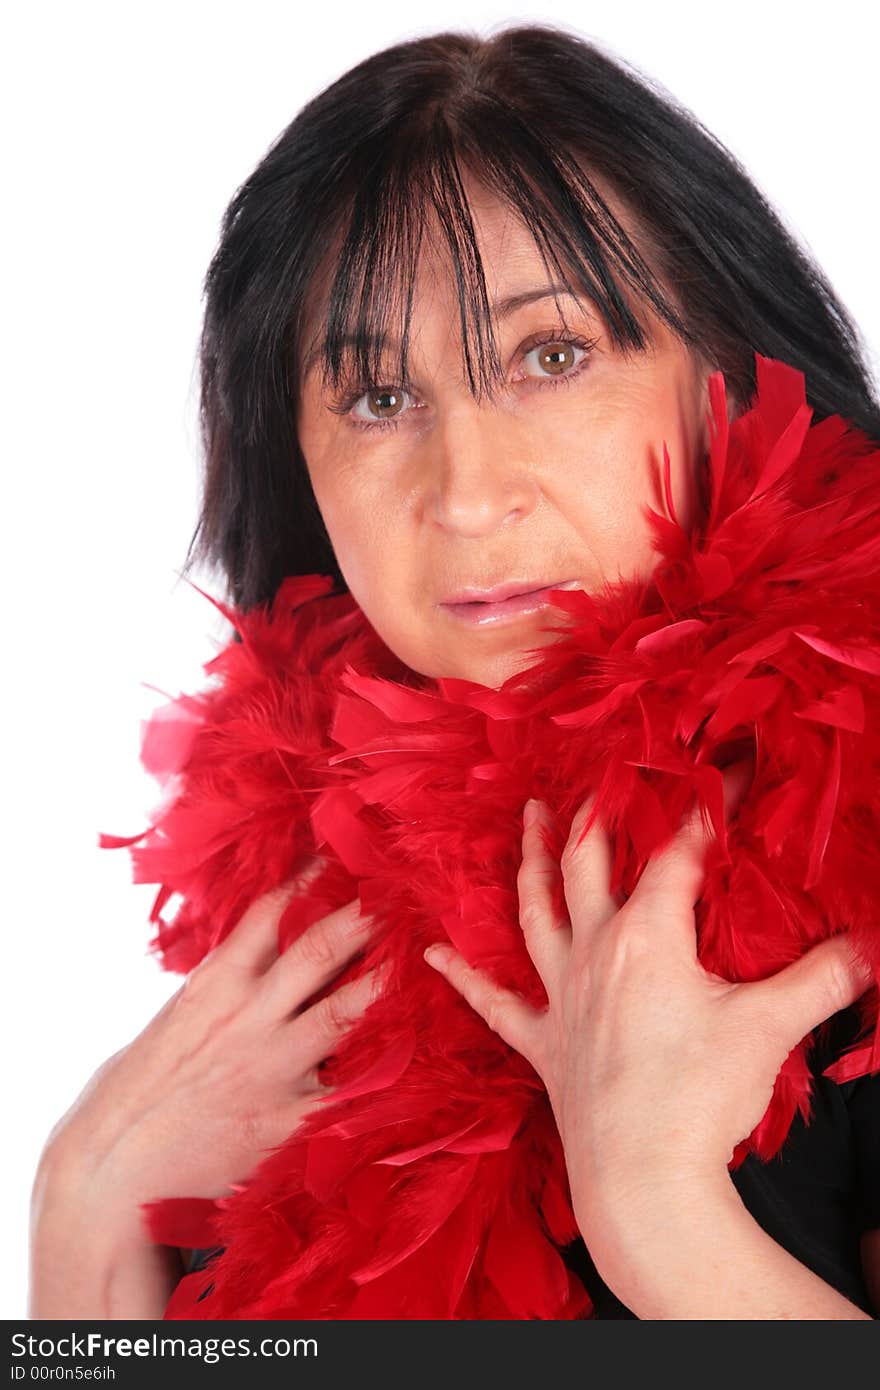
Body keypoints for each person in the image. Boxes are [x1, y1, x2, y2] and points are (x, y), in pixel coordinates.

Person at [29, 22, 880, 1319]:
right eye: (377, 396)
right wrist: (83, 1214)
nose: (466, 494)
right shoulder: (284, 941)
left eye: (552, 355)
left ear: (730, 364)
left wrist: (658, 1207)